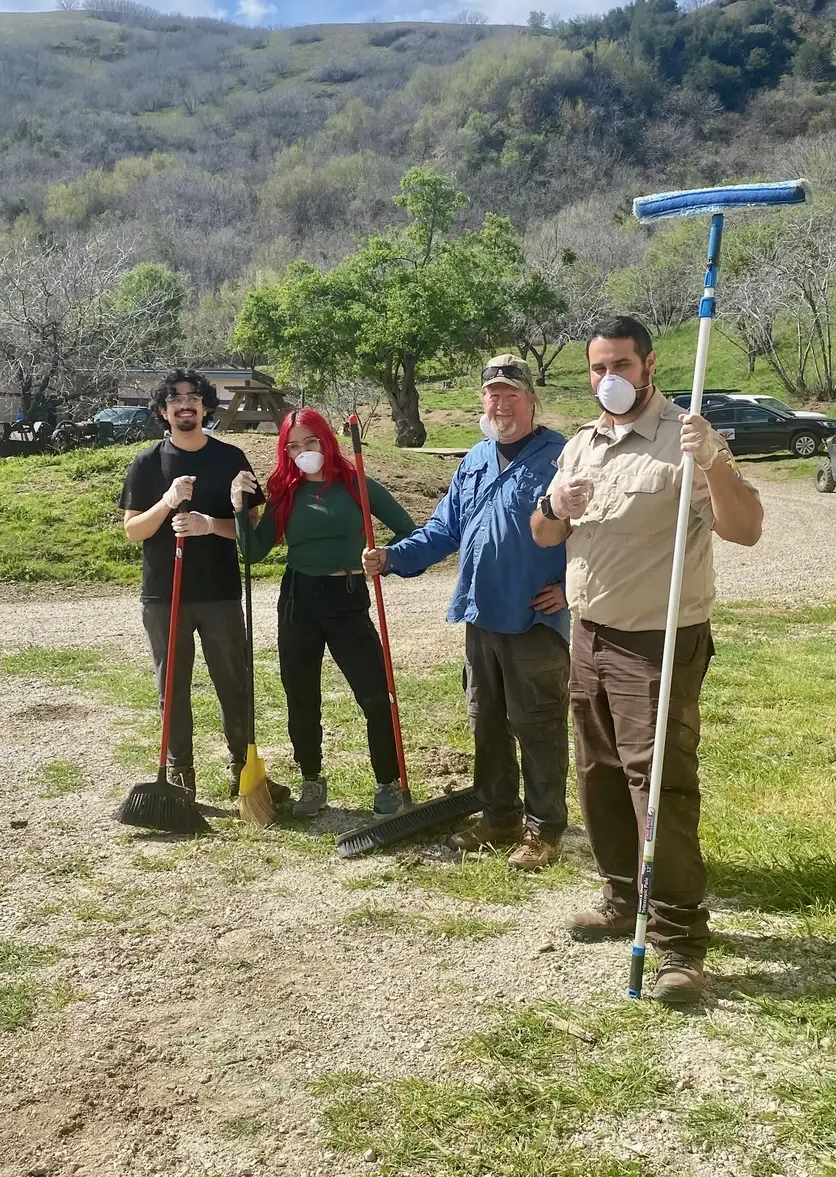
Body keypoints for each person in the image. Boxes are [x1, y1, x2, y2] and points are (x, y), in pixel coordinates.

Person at [531, 316, 763, 1003]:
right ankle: (619, 892)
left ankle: (678, 942)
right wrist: (554, 502)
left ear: (649, 365)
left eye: (622, 365)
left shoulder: (686, 441)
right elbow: (544, 529)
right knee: (597, 771)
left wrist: (716, 459)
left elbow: (747, 529)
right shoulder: (582, 445)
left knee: (658, 786)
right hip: (589, 634)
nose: (610, 379)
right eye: (599, 367)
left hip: (658, 639)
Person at [362, 355, 571, 871]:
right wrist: (392, 557)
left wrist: (571, 586)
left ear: (531, 400)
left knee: (537, 725)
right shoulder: (475, 459)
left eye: (511, 394)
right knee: (487, 723)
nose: (501, 403)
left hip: (535, 621)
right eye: (492, 394)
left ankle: (544, 830)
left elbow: (596, 530)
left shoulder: (561, 457)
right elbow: (442, 532)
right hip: (481, 618)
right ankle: (500, 814)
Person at [232, 409, 417, 819]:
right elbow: (255, 550)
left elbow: (409, 530)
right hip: (300, 597)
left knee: (374, 694)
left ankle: (388, 782)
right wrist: (240, 509)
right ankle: (312, 780)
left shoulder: (356, 485)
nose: (303, 452)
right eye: (293, 446)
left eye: (310, 442)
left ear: (326, 441)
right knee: (300, 695)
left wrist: (383, 557)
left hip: (347, 596)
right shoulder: (285, 489)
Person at [120, 368, 289, 805]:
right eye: (174, 398)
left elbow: (250, 531)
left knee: (233, 680)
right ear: (163, 410)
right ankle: (180, 775)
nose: (184, 403)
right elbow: (134, 531)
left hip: (219, 592)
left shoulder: (230, 458)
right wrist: (167, 502)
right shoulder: (147, 463)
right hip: (163, 594)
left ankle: (243, 768)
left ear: (206, 406)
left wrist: (208, 524)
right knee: (171, 686)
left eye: (193, 396)